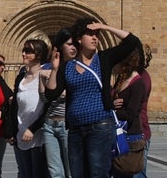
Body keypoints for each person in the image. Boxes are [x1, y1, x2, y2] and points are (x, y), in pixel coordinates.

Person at [45, 18, 141, 178]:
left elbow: (132, 42)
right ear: (79, 39)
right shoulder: (67, 67)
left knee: (97, 173)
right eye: (90, 34)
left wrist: (104, 26)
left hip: (100, 127)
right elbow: (51, 94)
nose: (95, 37)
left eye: (97, 34)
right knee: (77, 174)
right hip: (75, 129)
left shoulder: (104, 59)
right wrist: (54, 69)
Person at [11, 40, 50, 178]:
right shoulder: (20, 78)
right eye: (24, 50)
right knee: (24, 173)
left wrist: (33, 129)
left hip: (38, 134)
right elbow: (15, 106)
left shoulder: (45, 76)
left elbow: (48, 107)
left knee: (38, 174)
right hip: (20, 133)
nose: (23, 54)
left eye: (28, 51)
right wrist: (11, 130)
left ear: (39, 54)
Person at [40, 27, 75, 178]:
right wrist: (41, 78)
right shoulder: (50, 69)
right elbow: (44, 98)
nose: (73, 47)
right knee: (55, 172)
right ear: (59, 47)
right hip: (49, 124)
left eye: (75, 44)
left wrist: (58, 91)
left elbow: (76, 94)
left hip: (67, 125)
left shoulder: (78, 68)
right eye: (69, 44)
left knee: (71, 170)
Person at [112, 48, 147, 178]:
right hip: (117, 134)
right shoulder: (120, 79)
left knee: (125, 173)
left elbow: (131, 114)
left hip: (130, 136)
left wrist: (111, 112)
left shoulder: (138, 83)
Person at [133, 44, 153, 178]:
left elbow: (134, 106)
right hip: (133, 132)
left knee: (137, 173)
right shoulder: (128, 76)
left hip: (140, 132)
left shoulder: (142, 78)